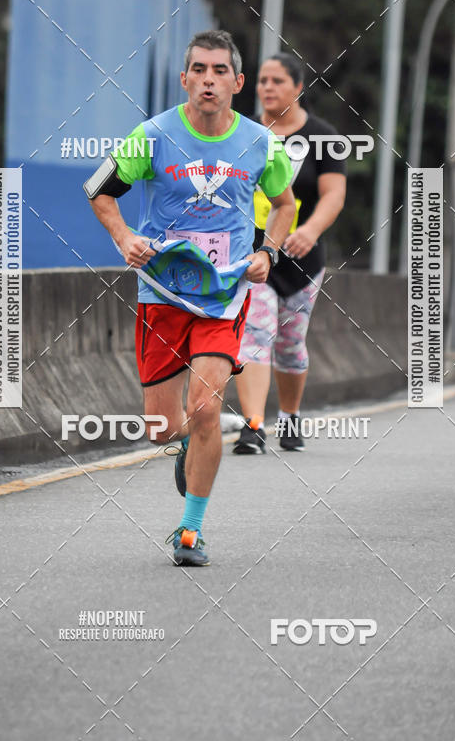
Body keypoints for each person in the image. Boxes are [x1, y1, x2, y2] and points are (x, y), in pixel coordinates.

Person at [87, 30, 295, 566]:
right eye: (199, 70)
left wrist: (267, 252)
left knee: (205, 406)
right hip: (161, 289)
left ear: (237, 81)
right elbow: (99, 188)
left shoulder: (259, 142)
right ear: (185, 79)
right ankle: (183, 443)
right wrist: (124, 237)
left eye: (219, 70)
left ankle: (190, 530)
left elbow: (284, 203)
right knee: (161, 425)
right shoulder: (152, 135)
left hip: (223, 294)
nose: (208, 80)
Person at [233, 53, 347, 453]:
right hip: (254, 255)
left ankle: (291, 415)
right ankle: (253, 425)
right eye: (262, 80)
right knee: (255, 331)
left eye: (277, 81)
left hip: (303, 257)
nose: (267, 88)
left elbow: (334, 194)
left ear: (298, 88)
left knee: (289, 342)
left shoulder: (322, 136)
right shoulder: (242, 133)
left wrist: (311, 230)